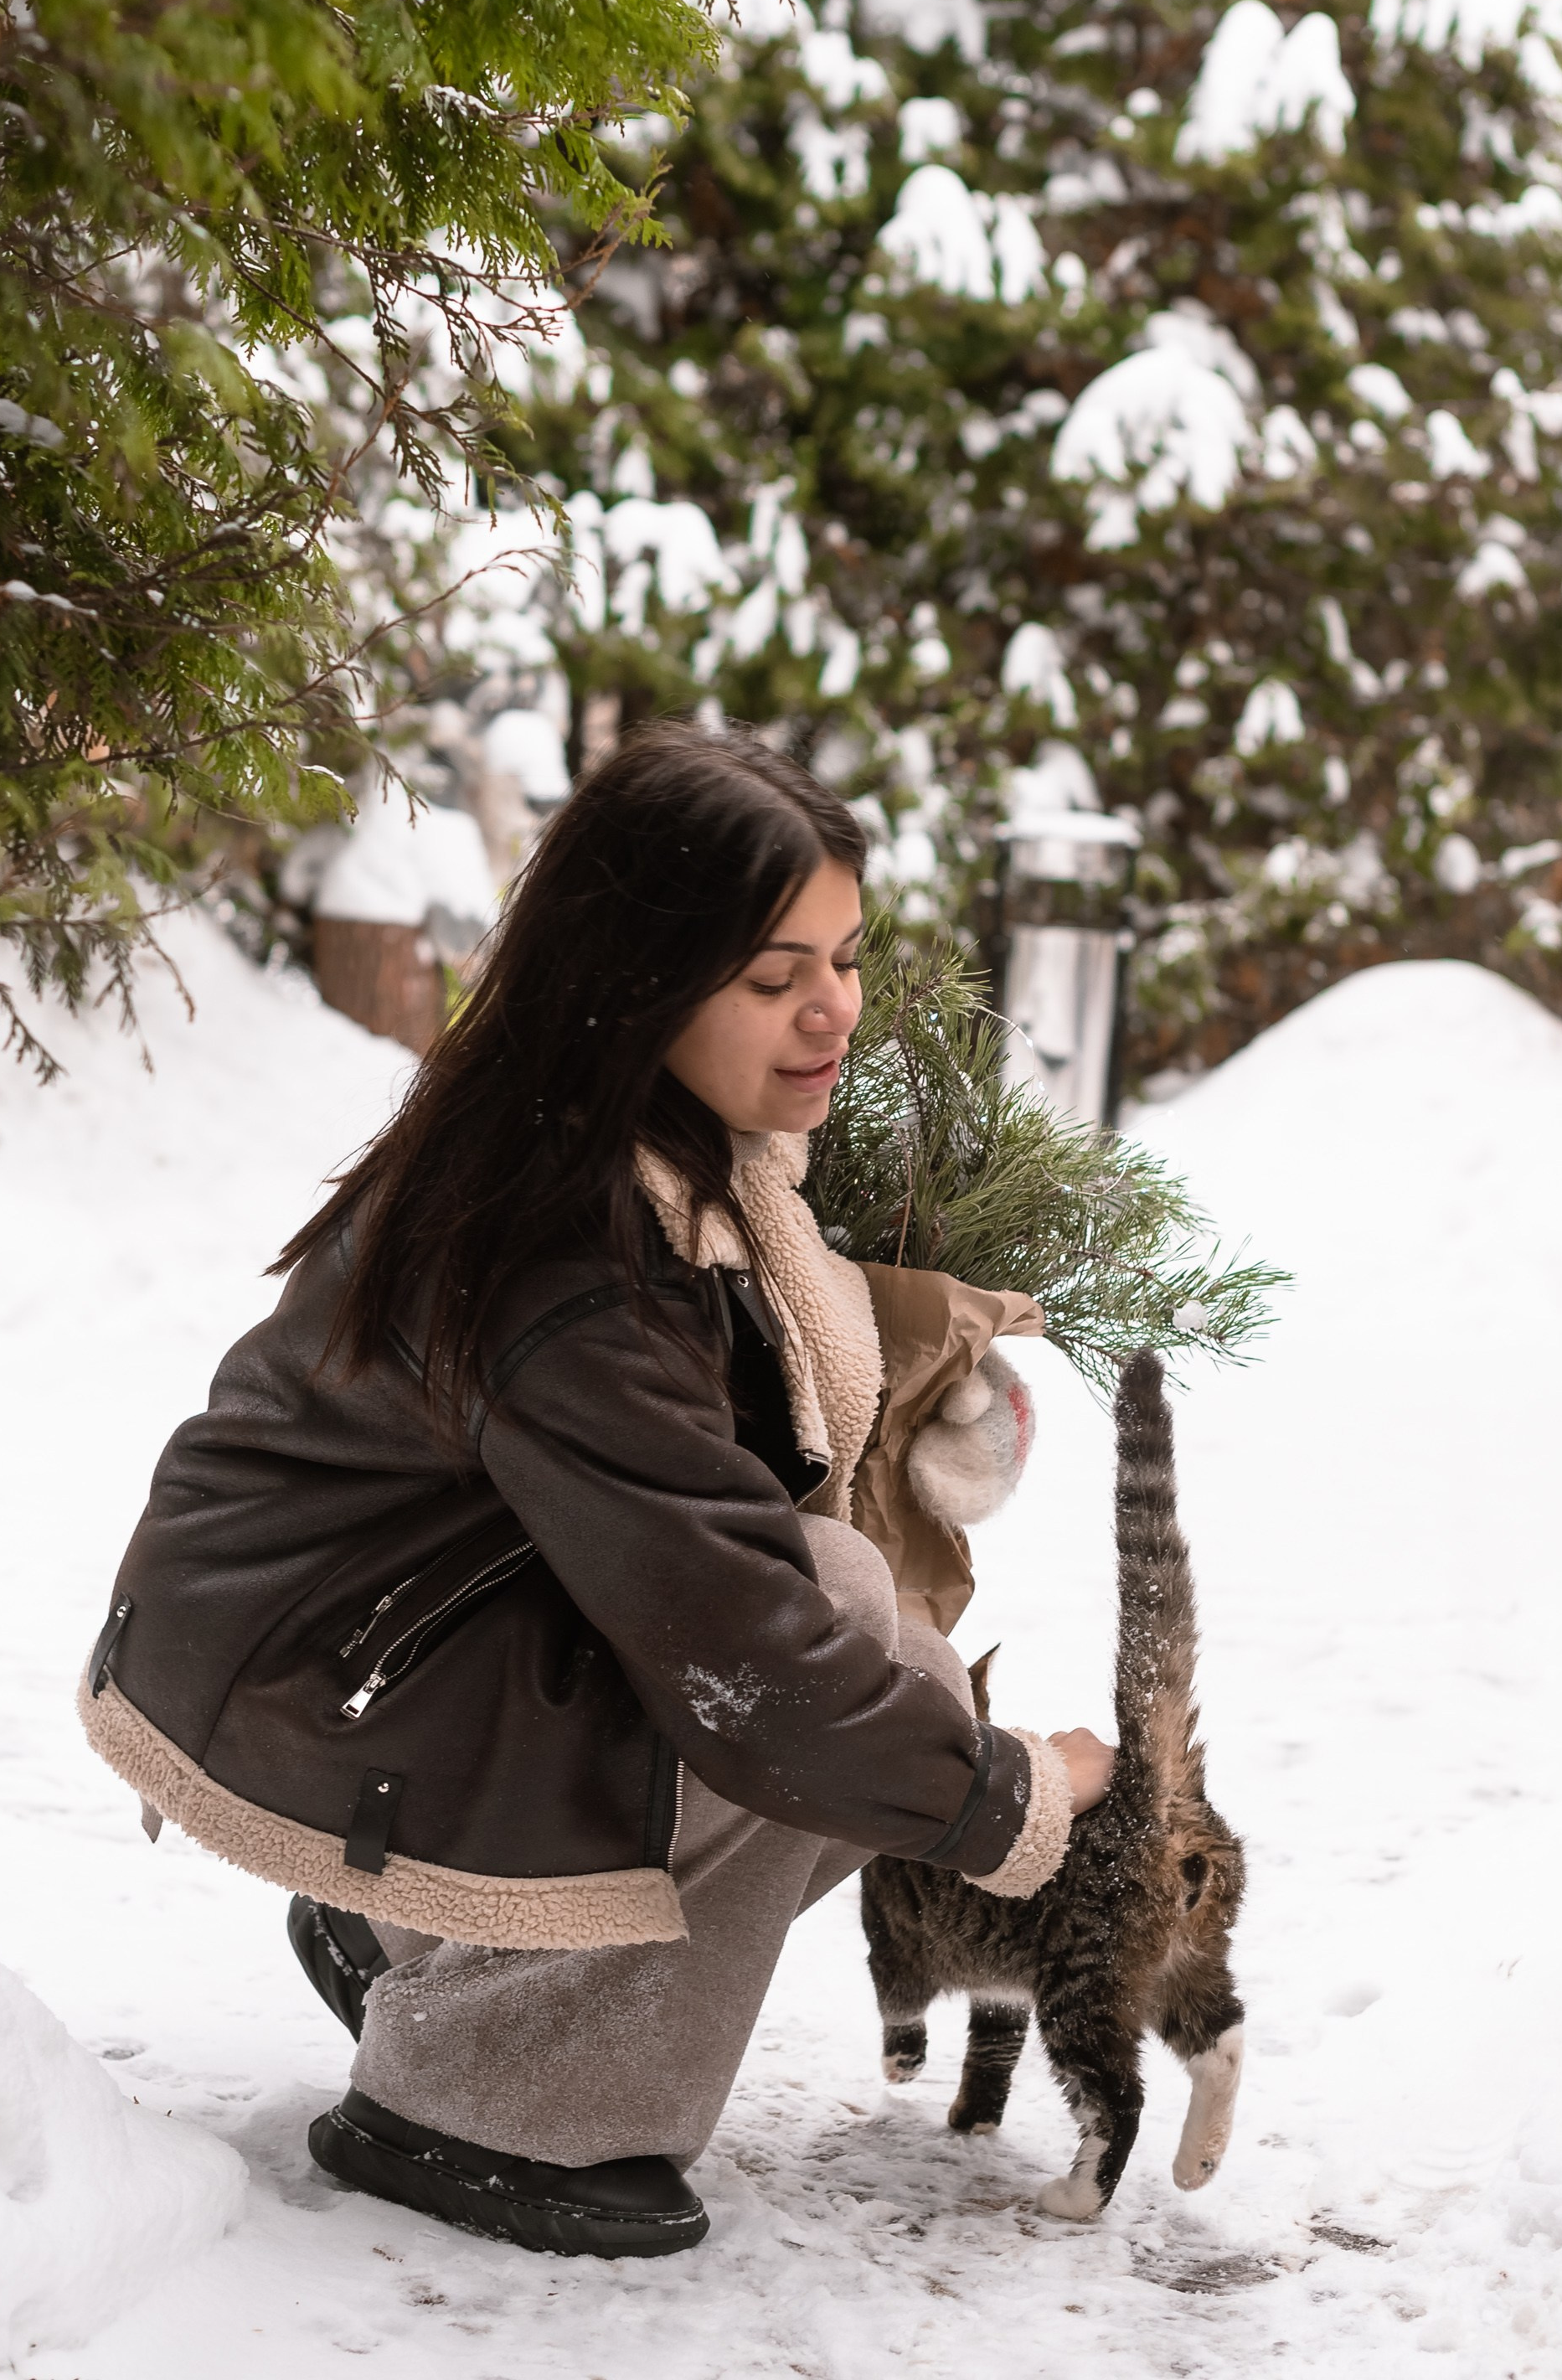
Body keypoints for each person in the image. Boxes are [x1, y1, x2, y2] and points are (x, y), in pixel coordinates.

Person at [80, 726, 1116, 2260]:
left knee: (846, 1633)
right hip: (311, 1677)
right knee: (814, 1670)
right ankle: (489, 2104)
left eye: (842, 957)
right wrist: (1010, 1795)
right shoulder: (565, 1246)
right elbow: (749, 1662)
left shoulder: (663, 1154)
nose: (832, 1008)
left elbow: (716, 1444)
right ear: (641, 982)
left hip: (389, 1640)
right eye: (774, 978)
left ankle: (409, 1935)